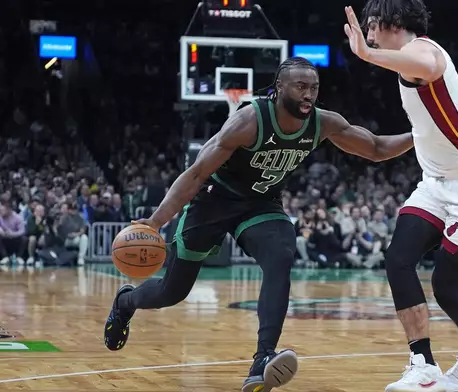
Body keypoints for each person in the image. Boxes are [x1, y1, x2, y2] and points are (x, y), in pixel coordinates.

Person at [103, 56, 414, 392]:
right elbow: (196, 173)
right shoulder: (249, 121)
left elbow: (377, 148)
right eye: (301, 86)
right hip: (213, 201)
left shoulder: (324, 123)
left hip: (261, 205)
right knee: (171, 291)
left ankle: (263, 357)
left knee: (281, 256)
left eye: (314, 88)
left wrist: (420, 136)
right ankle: (125, 303)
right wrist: (156, 220)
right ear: (280, 87)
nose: (309, 94)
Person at [343, 2, 458, 391]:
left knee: (445, 287)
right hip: (436, 182)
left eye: (372, 24)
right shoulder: (406, 61)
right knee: (398, 259)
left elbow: (430, 67)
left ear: (395, 22)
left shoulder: (423, 51)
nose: (368, 33)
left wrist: (368, 56)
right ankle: (423, 363)